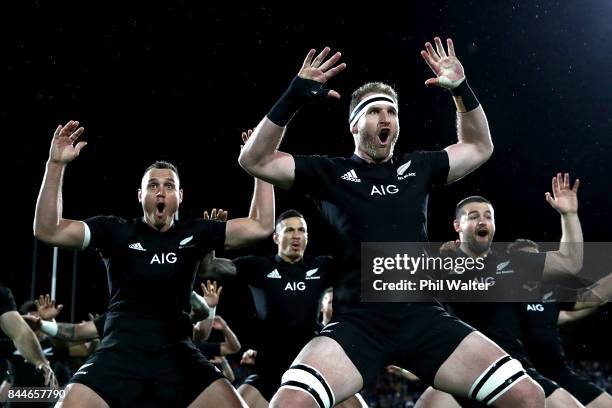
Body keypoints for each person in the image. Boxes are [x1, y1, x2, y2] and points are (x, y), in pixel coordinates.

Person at [237, 37, 549, 407]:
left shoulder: (417, 167)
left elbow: (480, 147)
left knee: (527, 395)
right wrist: (292, 97)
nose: (385, 118)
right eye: (374, 112)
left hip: (423, 317)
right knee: (288, 403)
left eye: (392, 111)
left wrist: (461, 91)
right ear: (353, 126)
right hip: (359, 322)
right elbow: (253, 160)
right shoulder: (330, 172)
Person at [33, 120, 274, 407]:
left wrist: (261, 169)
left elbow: (261, 225)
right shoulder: (115, 231)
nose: (161, 192)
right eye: (153, 186)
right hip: (119, 353)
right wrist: (55, 164)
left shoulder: (196, 233)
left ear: (180, 197)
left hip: (178, 355)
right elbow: (48, 229)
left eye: (169, 186)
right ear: (140, 195)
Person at [416, 174, 586, 407]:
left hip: (512, 369)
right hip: (461, 373)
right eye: (473, 216)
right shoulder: (438, 266)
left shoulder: (512, 264)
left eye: (488, 216)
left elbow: (570, 262)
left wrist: (569, 215)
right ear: (457, 226)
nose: (483, 221)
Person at [201, 209, 336, 407]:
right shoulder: (259, 266)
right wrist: (211, 236)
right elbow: (209, 268)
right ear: (276, 237)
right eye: (289, 230)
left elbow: (363, 269)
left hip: (309, 368)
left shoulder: (322, 265)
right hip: (268, 369)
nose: (296, 235)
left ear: (307, 237)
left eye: (301, 230)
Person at [510, 240, 612, 408]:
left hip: (559, 373)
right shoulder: (505, 296)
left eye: (538, 259)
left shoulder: (553, 292)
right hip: (523, 375)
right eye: (527, 259)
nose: (534, 263)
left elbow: (593, 296)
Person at [0, 286, 57, 389]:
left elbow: (85, 349)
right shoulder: (11, 343)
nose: (34, 323)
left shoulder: (54, 344)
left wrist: (51, 322)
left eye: (38, 320)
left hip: (46, 401)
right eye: (30, 320)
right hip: (16, 401)